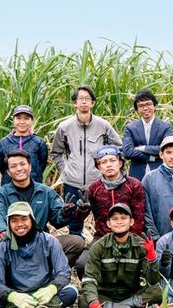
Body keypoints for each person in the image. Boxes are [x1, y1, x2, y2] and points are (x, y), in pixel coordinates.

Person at [0, 202, 79, 308]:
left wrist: (51, 289)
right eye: (14, 221)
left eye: (24, 219)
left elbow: (64, 272)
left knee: (71, 292)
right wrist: (12, 296)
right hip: (18, 296)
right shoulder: (1, 248)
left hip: (43, 295)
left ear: (32, 220)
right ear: (9, 224)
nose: (19, 224)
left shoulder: (49, 241)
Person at [0, 150, 84, 265]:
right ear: (8, 172)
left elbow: (57, 221)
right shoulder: (1, 194)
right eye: (13, 166)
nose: (19, 168)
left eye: (22, 164)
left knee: (77, 242)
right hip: (15, 245)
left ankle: (52, 269)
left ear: (30, 167)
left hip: (41, 243)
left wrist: (65, 213)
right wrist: (3, 233)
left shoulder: (46, 192)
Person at [51, 85, 122, 236]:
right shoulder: (64, 127)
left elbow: (118, 147)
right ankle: (76, 248)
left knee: (103, 220)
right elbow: (56, 153)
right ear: (74, 103)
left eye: (87, 99)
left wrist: (106, 166)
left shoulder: (103, 125)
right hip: (72, 183)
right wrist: (66, 171)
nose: (84, 102)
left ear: (92, 103)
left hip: (98, 182)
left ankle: (101, 247)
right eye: (80, 99)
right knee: (74, 223)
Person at [78, 203, 161, 308]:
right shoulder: (99, 246)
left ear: (131, 222)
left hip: (132, 295)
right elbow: (89, 279)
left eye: (123, 218)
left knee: (157, 292)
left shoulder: (141, 245)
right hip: (106, 295)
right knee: (83, 300)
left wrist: (152, 259)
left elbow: (152, 281)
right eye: (115, 219)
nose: (119, 222)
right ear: (109, 224)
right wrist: (94, 305)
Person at [74, 145, 146, 276]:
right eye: (103, 162)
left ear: (120, 163)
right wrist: (82, 210)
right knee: (82, 264)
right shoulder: (93, 188)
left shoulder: (134, 185)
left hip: (129, 236)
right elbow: (79, 218)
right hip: (102, 236)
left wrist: (129, 241)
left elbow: (139, 218)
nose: (108, 165)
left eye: (112, 160)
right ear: (99, 167)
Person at [123, 89, 173, 181]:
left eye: (148, 104)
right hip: (137, 175)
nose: (145, 108)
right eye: (141, 106)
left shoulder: (165, 126)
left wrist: (143, 148)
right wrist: (151, 157)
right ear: (137, 109)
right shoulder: (130, 128)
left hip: (161, 173)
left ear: (154, 106)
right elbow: (127, 152)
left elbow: (167, 149)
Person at [0, 104, 49, 186]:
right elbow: (2, 166)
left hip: (33, 186)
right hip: (9, 187)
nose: (22, 122)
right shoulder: (4, 142)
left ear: (32, 121)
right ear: (13, 120)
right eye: (18, 118)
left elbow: (42, 164)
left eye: (26, 118)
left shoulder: (39, 142)